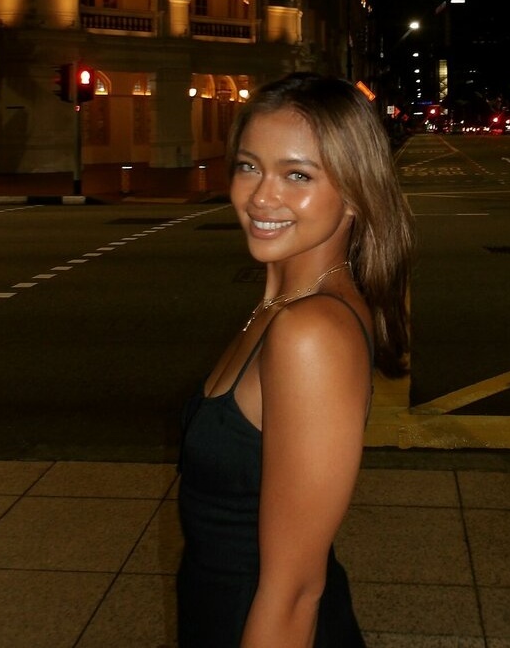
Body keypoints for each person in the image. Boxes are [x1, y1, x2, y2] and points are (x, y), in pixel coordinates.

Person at [176, 72, 413, 648]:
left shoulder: (311, 333)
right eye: (249, 166)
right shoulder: (280, 307)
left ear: (355, 193)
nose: (261, 197)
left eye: (297, 175)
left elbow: (294, 591)